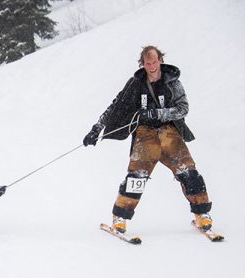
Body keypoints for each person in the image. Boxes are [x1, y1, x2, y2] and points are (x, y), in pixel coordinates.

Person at [83, 45, 213, 233]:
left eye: (154, 61)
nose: (151, 66)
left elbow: (183, 108)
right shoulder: (136, 84)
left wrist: (159, 113)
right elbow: (115, 106)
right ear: (142, 64)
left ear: (161, 60)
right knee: (137, 176)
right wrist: (97, 129)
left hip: (169, 132)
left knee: (188, 172)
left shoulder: (172, 82)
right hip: (145, 134)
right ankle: (120, 217)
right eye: (147, 63)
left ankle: (202, 214)